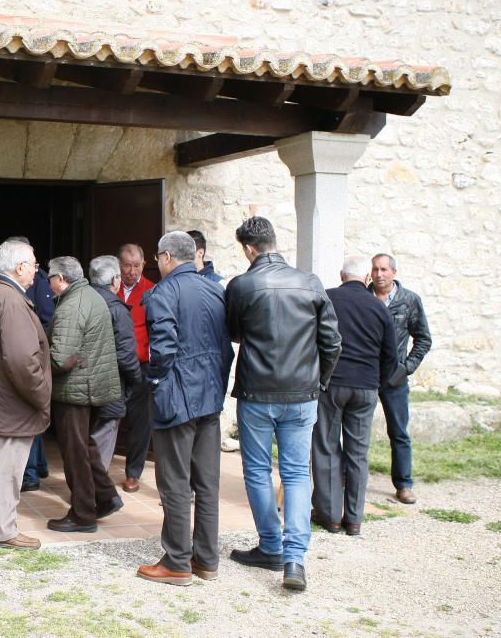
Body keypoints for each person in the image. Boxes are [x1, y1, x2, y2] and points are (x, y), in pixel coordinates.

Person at [225, 216, 341, 592]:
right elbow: (332, 342)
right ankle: (294, 558)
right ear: (274, 242)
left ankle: (271, 546)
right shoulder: (309, 282)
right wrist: (319, 381)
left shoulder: (242, 285)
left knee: (258, 472)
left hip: (257, 392)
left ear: (248, 248)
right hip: (302, 393)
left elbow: (234, 333)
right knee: (295, 474)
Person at [137, 232, 233, 586]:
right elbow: (227, 349)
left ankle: (177, 561)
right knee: (206, 482)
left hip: (177, 396)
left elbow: (163, 347)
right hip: (209, 395)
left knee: (175, 481)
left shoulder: (164, 292)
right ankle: (206, 559)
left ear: (164, 257)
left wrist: (156, 382)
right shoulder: (214, 289)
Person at [0, 239, 52, 549]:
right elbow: (21, 360)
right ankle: (4, 532)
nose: (36, 270)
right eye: (33, 264)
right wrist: (41, 393)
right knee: (8, 469)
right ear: (19, 267)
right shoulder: (11, 299)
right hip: (11, 401)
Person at [312, 256, 397, 536]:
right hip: (366, 387)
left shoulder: (327, 298)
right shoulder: (379, 307)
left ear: (341, 274)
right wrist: (377, 383)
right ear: (367, 278)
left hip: (333, 383)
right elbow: (390, 356)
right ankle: (355, 519)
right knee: (358, 453)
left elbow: (314, 340)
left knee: (326, 446)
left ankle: (331, 515)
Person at [46, 256, 123, 533]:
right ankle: (106, 496)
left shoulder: (72, 305)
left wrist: (37, 364)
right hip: (89, 385)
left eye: (50, 277)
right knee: (85, 446)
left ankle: (82, 515)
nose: (48, 283)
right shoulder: (89, 295)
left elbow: (61, 358)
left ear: (62, 279)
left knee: (74, 452)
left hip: (75, 389)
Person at [370, 253, 431, 505]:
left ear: (393, 272)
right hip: (365, 375)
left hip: (394, 378)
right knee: (353, 429)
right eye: (375, 269)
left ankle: (403, 484)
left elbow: (423, 338)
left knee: (399, 432)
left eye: (384, 269)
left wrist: (406, 368)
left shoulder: (409, 301)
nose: (379, 274)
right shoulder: (363, 297)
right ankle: (348, 479)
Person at [6, 236, 55, 493]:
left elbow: (48, 319)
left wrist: (37, 347)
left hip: (30, 358)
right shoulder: (7, 286)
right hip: (24, 356)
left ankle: (31, 473)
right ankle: (40, 466)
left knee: (30, 412)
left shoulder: (39, 281)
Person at [88, 255, 141, 470]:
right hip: (109, 387)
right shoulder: (117, 309)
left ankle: (82, 490)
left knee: (84, 441)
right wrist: (137, 380)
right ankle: (94, 494)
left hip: (79, 387)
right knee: (101, 443)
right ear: (115, 280)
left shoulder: (79, 301)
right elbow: (126, 355)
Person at [117, 243, 157, 493]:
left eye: (136, 265)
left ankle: (133, 472)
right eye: (127, 265)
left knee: (141, 421)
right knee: (107, 417)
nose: (131, 271)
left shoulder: (152, 291)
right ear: (118, 265)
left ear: (143, 265)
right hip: (113, 366)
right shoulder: (110, 288)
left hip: (141, 366)